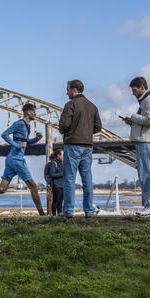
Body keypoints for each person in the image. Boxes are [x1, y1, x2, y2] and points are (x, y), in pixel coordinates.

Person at [58, 79, 102, 218]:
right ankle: (89, 211)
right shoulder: (92, 106)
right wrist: (86, 132)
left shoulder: (71, 104)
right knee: (87, 178)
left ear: (74, 90)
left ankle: (68, 211)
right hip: (88, 146)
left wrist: (70, 131)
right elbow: (98, 127)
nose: (66, 92)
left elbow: (64, 125)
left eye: (68, 89)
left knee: (69, 178)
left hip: (73, 145)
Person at [121, 77, 150, 217]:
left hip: (146, 141)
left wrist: (133, 117)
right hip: (143, 140)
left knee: (149, 174)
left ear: (142, 87)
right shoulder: (145, 100)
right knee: (144, 175)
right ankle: (149, 205)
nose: (133, 93)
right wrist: (133, 122)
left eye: (134, 90)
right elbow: (145, 121)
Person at [44, 149, 65, 216]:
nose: (64, 156)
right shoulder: (54, 163)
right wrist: (63, 174)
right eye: (63, 155)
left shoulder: (61, 163)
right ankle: (53, 215)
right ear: (58, 155)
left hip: (62, 185)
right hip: (56, 185)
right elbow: (52, 174)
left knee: (60, 202)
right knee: (56, 201)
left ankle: (60, 214)